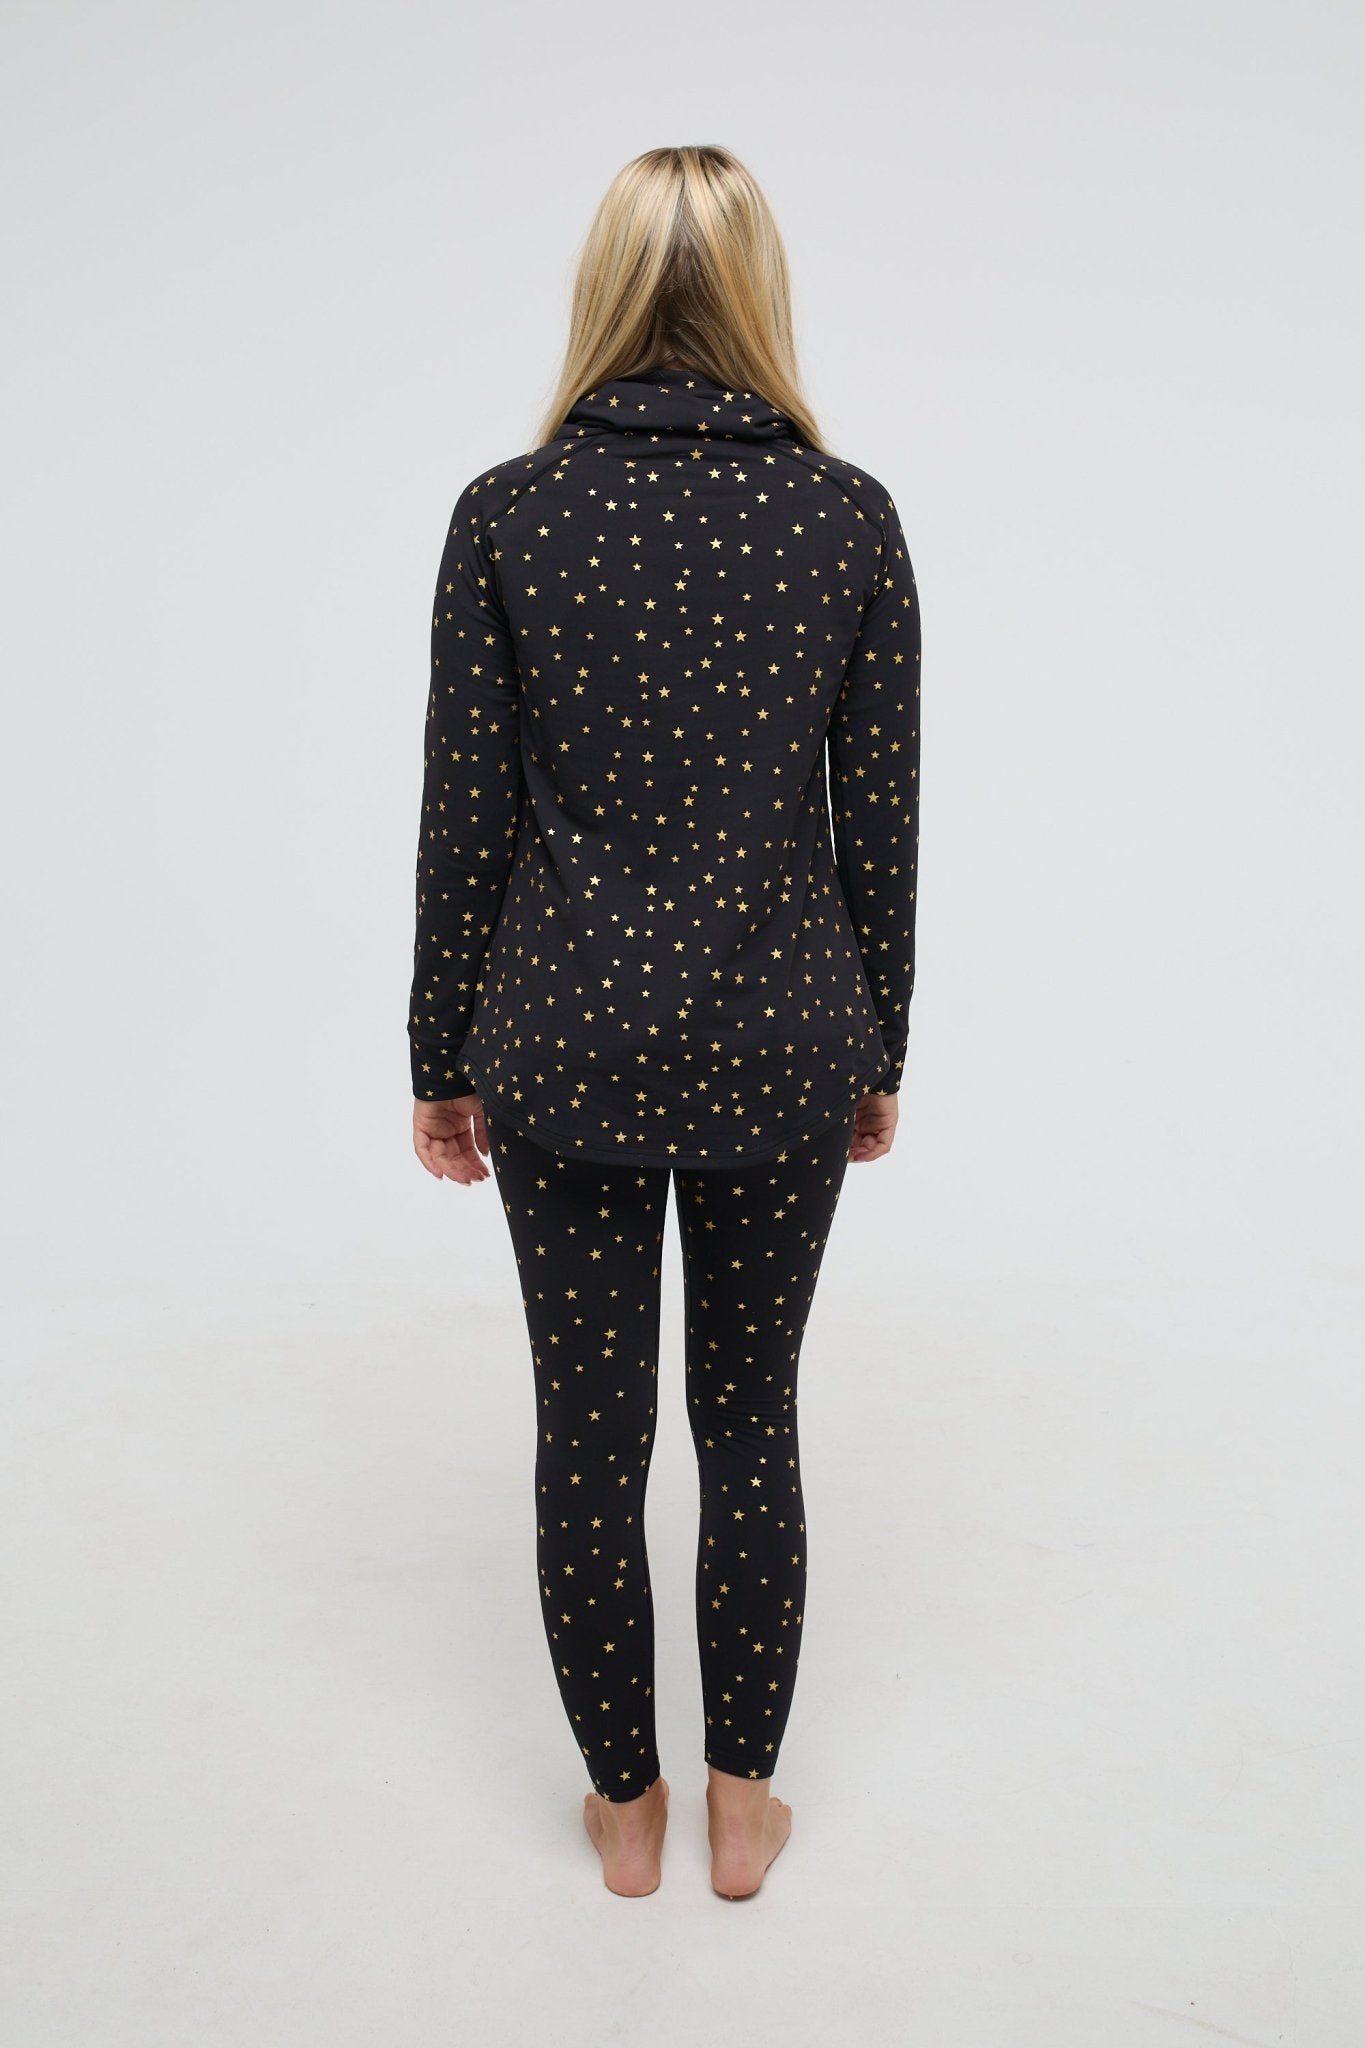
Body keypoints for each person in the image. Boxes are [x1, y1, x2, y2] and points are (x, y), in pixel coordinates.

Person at [407, 144, 921, 1899]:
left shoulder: (508, 512)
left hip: (558, 1040)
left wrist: (437, 1055)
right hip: (786, 1037)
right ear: (757, 288)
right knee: (749, 1419)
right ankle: (740, 1813)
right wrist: (878, 1045)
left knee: (589, 1429)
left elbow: (465, 813)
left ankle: (621, 1816)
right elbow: (881, 819)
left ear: (603, 287)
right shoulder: (846, 516)